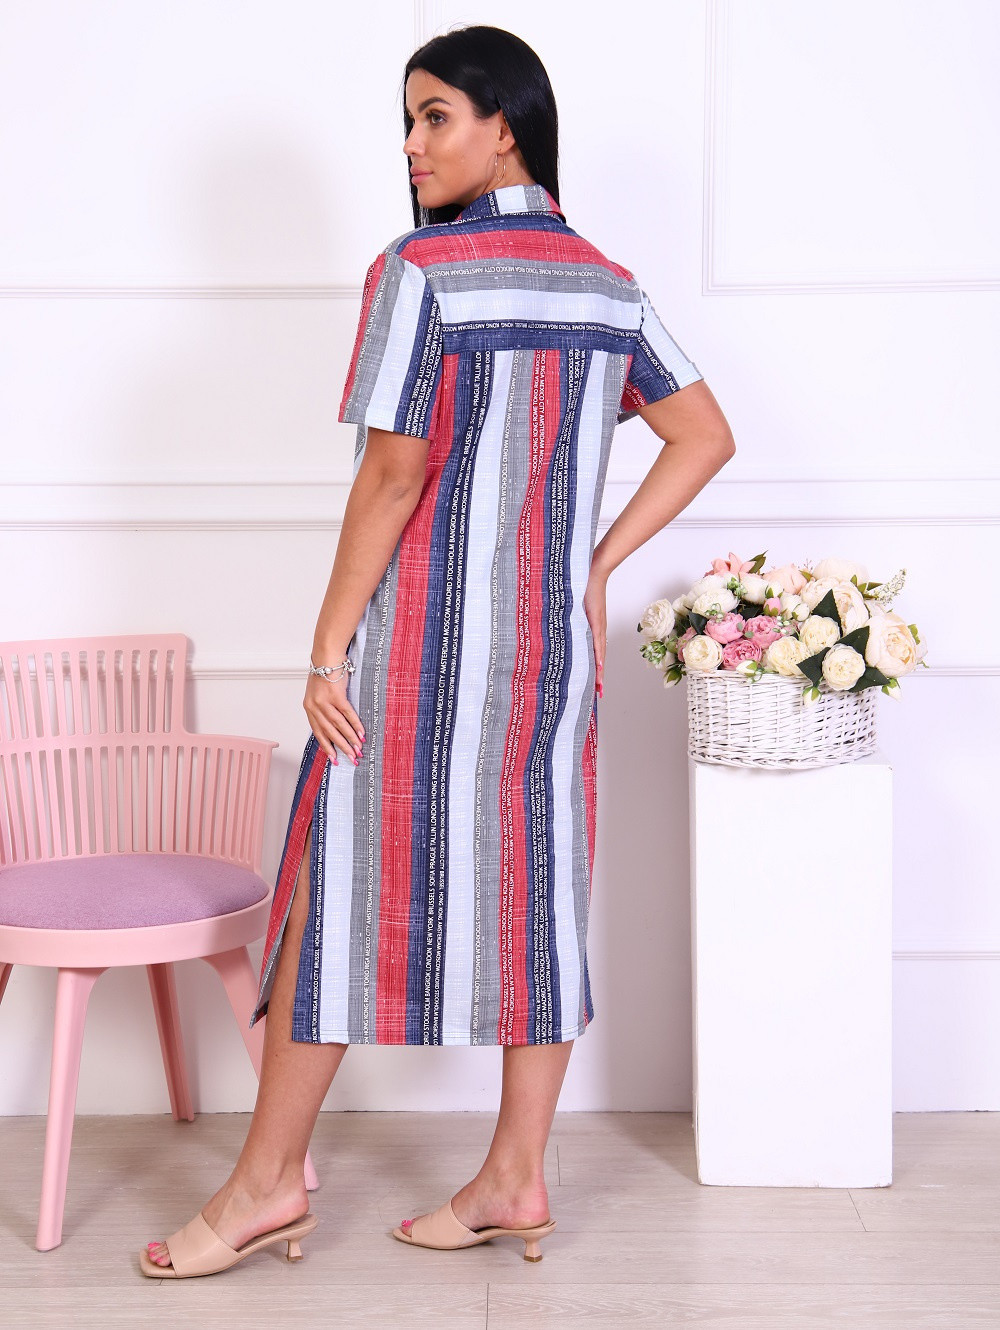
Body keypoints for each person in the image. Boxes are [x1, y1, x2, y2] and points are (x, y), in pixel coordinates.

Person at [141, 23, 735, 1279]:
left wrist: (324, 645)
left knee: (328, 896)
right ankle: (514, 1175)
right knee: (539, 892)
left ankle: (262, 1187)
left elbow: (393, 473)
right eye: (406, 122)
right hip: (550, 658)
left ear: (503, 126)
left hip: (411, 651)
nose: (411, 146)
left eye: (435, 116)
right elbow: (703, 434)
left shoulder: (420, 271)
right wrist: (592, 565)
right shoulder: (607, 284)